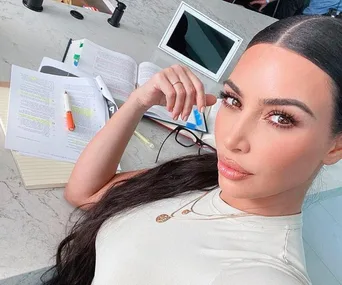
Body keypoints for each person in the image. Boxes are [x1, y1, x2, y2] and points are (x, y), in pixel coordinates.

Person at [42, 15, 342, 285]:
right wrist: (138, 102)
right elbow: (85, 193)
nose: (233, 139)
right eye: (233, 100)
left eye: (281, 118)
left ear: (335, 145)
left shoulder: (264, 275)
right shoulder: (203, 177)